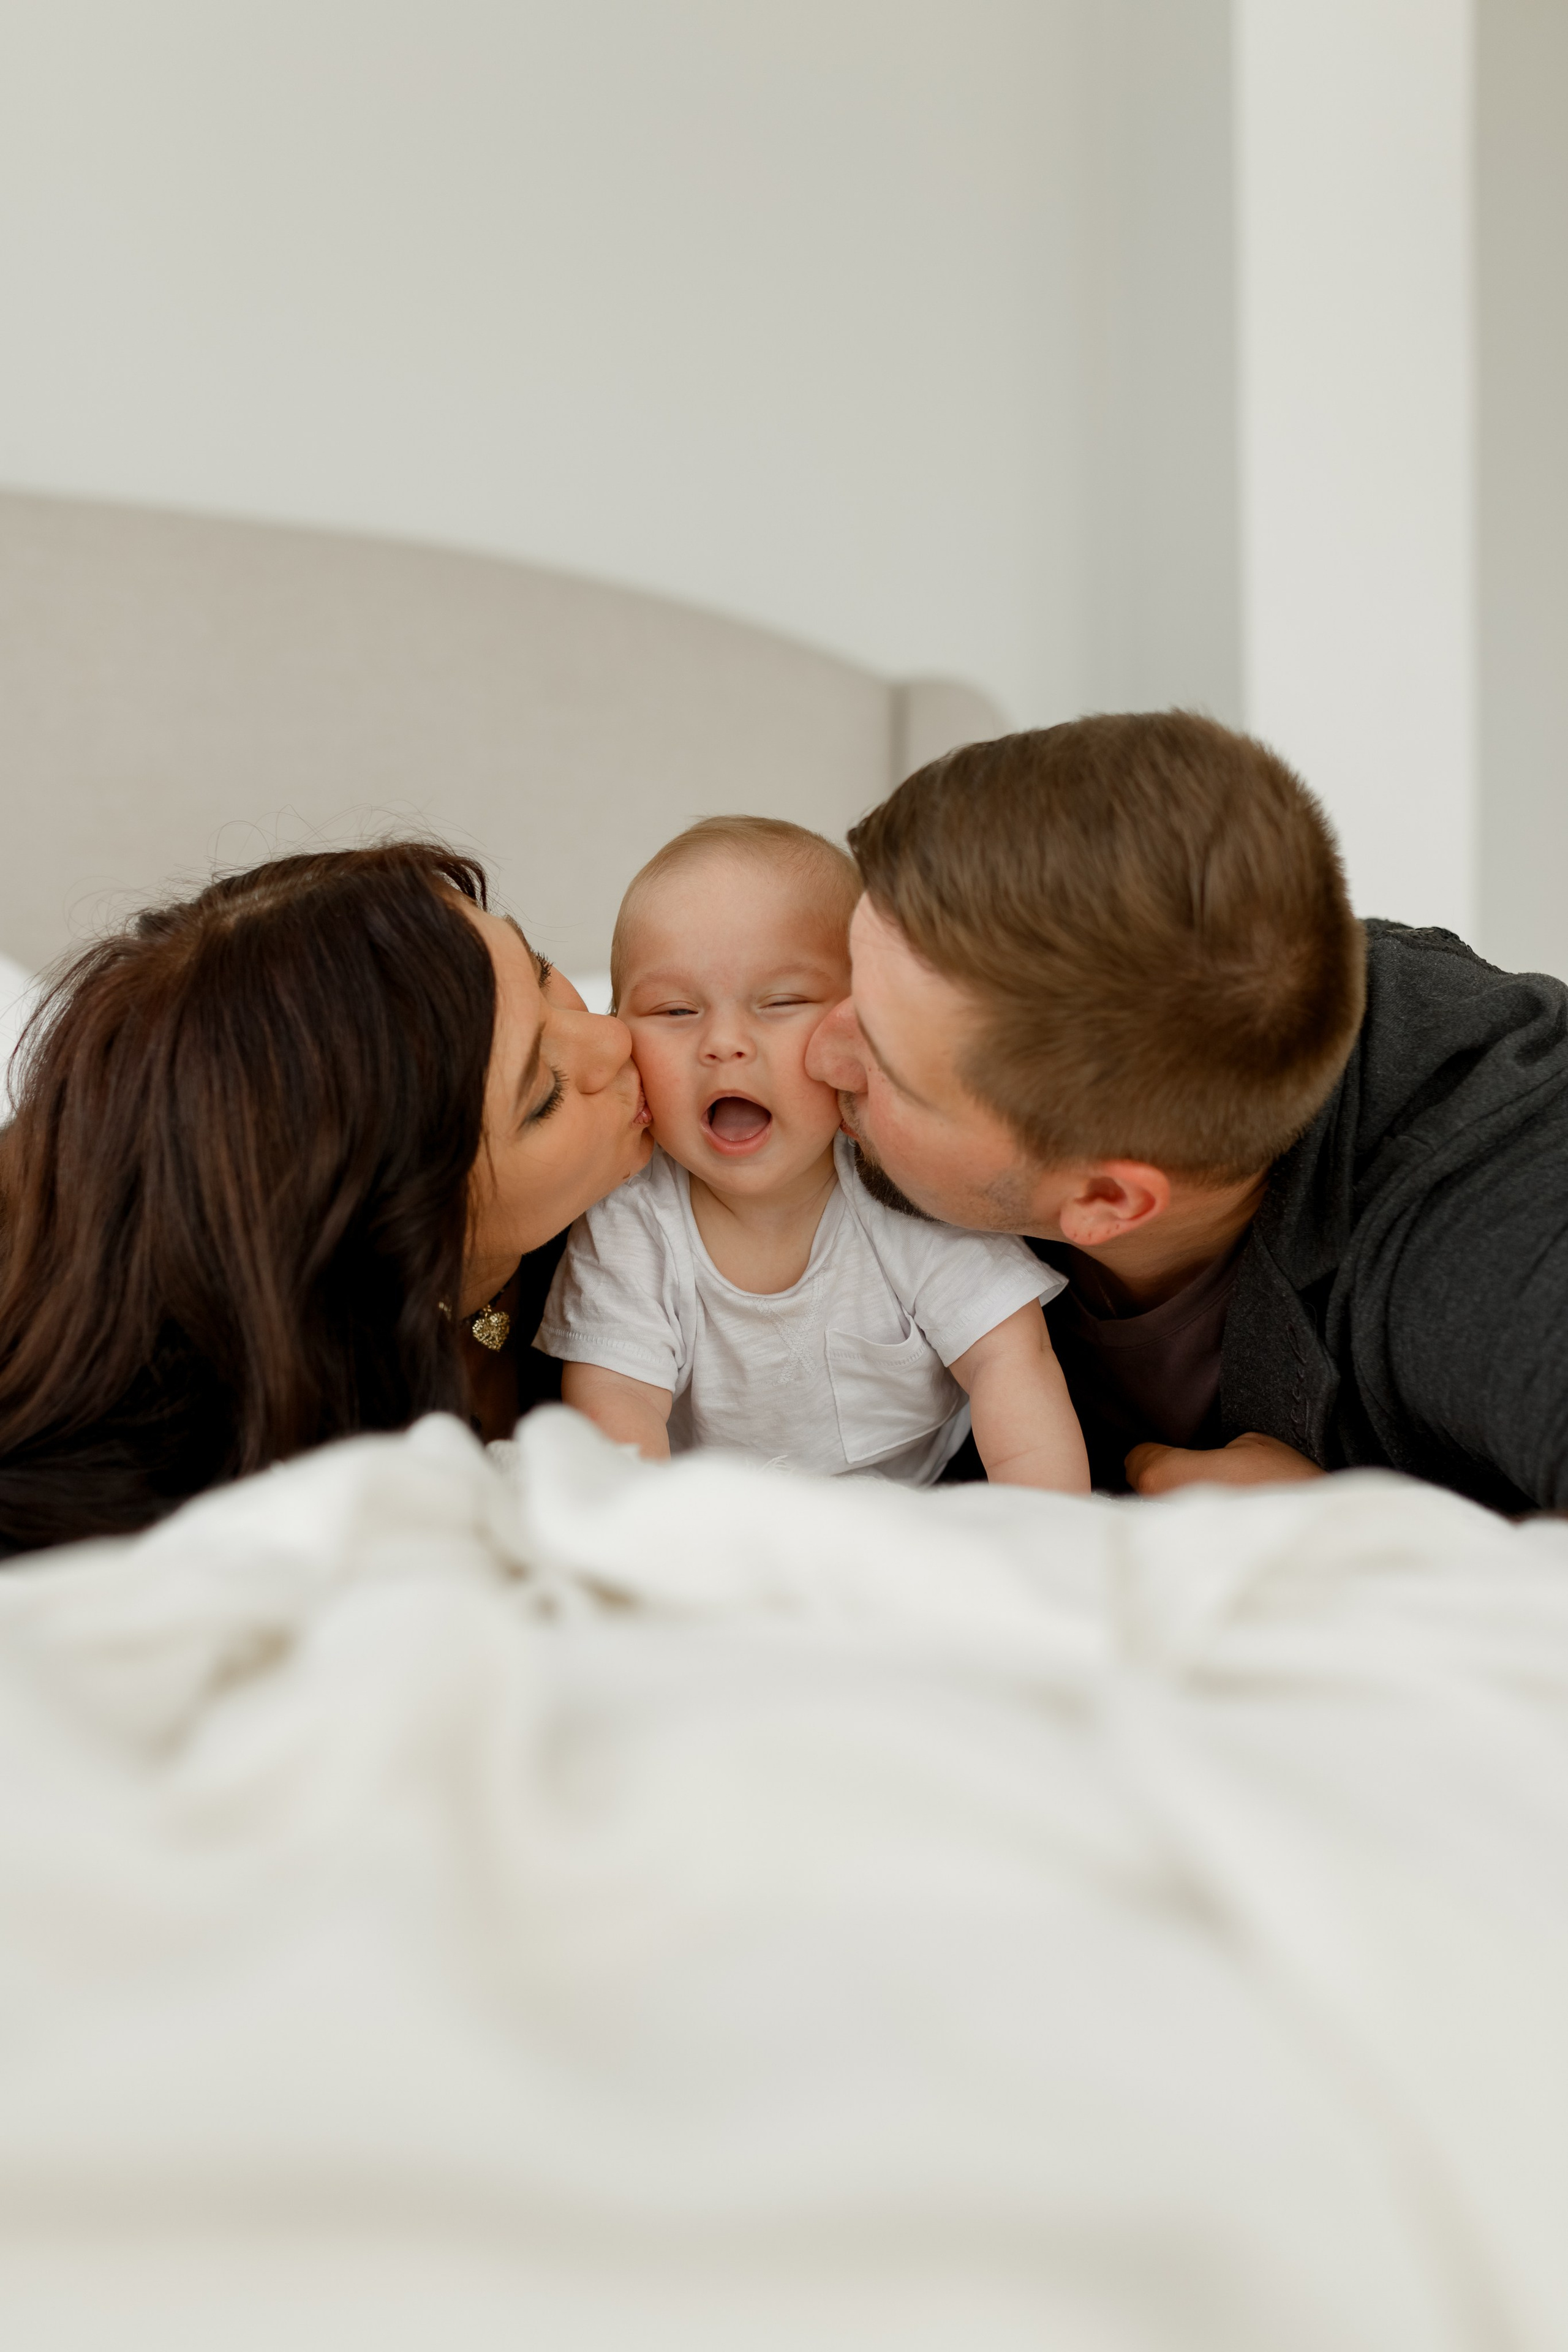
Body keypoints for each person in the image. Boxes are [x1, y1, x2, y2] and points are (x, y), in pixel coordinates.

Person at [805, 712, 1568, 1513]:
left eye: (886, 1065)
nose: (818, 1055)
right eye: (846, 974)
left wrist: (1362, 1540)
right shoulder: (1072, 1067)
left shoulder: (1498, 1215)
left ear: (1107, 1200)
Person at [0, 842, 652, 1557]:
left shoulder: (678, 1166)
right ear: (402, 1230)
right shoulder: (233, 1477)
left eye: (539, 971)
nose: (614, 1037)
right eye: (544, 1096)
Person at [536, 817, 1090, 1489]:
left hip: (930, 1497)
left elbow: (1010, 1360)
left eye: (781, 1001)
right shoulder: (631, 1214)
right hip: (725, 1520)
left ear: (859, 1025)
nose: (725, 1043)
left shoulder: (898, 1177)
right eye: (675, 1011)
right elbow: (615, 1408)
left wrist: (1045, 1532)